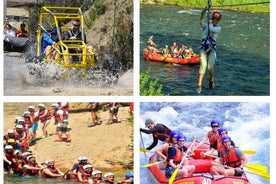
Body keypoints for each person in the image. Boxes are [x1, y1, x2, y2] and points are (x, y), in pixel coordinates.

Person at [196, 7, 222, 94]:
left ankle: (211, 79)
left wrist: (210, 20)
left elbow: (211, 29)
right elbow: (201, 21)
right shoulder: (206, 25)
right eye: (213, 18)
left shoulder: (218, 28)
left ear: (218, 21)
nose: (214, 20)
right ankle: (199, 84)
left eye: (216, 19)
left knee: (210, 67)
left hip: (211, 50)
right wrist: (203, 13)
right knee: (203, 65)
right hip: (203, 49)